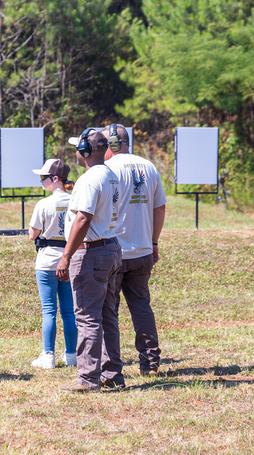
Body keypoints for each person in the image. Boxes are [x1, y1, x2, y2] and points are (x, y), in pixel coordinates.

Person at [100, 124, 166, 384]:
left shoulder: (108, 170)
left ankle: (111, 366)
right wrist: (153, 243)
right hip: (142, 250)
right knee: (141, 306)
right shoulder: (148, 166)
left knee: (109, 311)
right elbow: (159, 207)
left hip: (115, 250)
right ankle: (150, 361)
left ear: (114, 144)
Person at [57, 128, 121, 393]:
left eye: (78, 147)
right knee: (108, 316)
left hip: (91, 252)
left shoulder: (89, 179)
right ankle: (112, 374)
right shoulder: (110, 175)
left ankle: (87, 378)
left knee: (87, 318)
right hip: (111, 248)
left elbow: (83, 219)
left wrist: (66, 255)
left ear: (85, 151)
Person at [28, 159, 77, 369]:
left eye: (43, 178)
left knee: (49, 310)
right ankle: (72, 355)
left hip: (47, 261)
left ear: (55, 179)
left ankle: (48, 356)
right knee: (69, 311)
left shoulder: (43, 204)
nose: (41, 181)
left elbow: (32, 235)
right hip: (70, 259)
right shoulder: (75, 200)